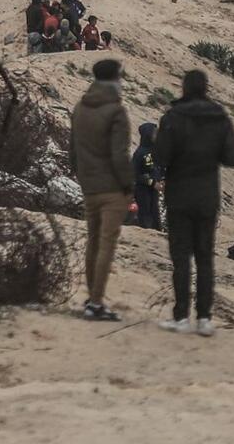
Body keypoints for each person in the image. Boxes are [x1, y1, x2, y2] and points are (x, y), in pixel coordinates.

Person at [153, 68, 234, 336]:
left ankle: (181, 316)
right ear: (206, 88)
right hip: (207, 197)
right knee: (205, 258)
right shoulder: (219, 118)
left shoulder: (173, 117)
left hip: (179, 197)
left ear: (184, 87)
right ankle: (205, 318)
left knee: (181, 257)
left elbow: (160, 156)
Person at [69, 59, 135, 322]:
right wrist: (128, 184)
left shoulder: (80, 107)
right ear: (115, 79)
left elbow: (73, 149)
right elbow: (119, 154)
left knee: (93, 241)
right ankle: (96, 302)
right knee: (107, 243)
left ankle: (92, 297)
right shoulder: (116, 111)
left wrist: (82, 175)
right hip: (112, 187)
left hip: (89, 186)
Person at [131, 122, 161, 230]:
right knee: (146, 219)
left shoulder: (155, 151)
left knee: (155, 219)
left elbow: (157, 169)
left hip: (154, 192)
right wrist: (152, 182)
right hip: (142, 191)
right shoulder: (140, 153)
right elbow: (136, 174)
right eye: (154, 134)